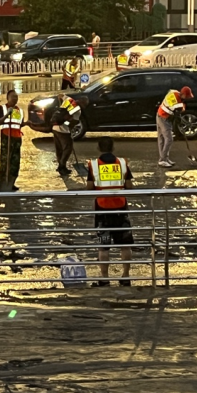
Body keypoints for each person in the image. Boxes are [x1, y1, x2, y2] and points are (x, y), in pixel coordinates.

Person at [85, 136, 134, 286]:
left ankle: (104, 278)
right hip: (120, 209)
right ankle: (125, 276)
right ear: (113, 148)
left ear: (98, 148)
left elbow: (89, 188)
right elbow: (130, 187)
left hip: (102, 210)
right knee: (125, 244)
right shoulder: (123, 163)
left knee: (103, 246)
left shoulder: (93, 165)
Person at [156, 86, 193, 168]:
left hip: (161, 115)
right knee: (168, 139)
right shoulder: (177, 102)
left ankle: (165, 158)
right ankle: (162, 160)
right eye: (186, 97)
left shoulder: (175, 92)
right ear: (182, 94)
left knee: (162, 138)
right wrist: (179, 119)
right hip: (163, 117)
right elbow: (177, 111)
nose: (187, 99)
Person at [0, 90, 26, 191]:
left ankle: (11, 182)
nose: (15, 99)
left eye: (16, 97)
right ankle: (2, 182)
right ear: (7, 98)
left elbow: (18, 124)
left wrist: (26, 124)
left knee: (15, 162)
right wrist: (6, 115)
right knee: (5, 160)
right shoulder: (3, 108)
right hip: (6, 136)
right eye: (13, 97)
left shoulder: (19, 110)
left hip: (17, 138)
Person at [52, 93, 81, 177]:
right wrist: (70, 130)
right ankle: (61, 166)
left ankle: (62, 167)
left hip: (55, 127)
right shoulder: (78, 111)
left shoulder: (68, 100)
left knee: (59, 149)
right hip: (63, 131)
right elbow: (72, 123)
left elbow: (59, 95)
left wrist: (60, 105)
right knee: (68, 148)